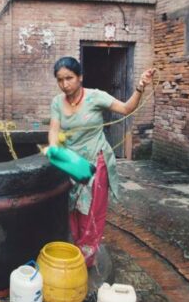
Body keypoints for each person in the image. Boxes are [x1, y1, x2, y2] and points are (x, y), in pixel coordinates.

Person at [48, 57, 155, 267]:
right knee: (72, 207)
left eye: (69, 78)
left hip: (95, 160)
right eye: (60, 80)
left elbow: (125, 109)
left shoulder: (95, 97)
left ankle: (85, 259)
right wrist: (55, 152)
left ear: (80, 77)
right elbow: (54, 129)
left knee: (91, 211)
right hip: (72, 161)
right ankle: (76, 248)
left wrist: (140, 87)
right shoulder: (56, 102)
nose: (65, 84)